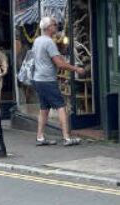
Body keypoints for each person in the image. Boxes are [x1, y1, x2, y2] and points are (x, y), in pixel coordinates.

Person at [30, 16, 86, 146]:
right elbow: (59, 63)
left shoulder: (37, 40)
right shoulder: (49, 42)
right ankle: (66, 137)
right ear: (49, 27)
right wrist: (76, 69)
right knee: (61, 106)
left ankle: (40, 137)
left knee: (44, 108)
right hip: (47, 79)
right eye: (54, 24)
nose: (56, 26)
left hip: (38, 79)